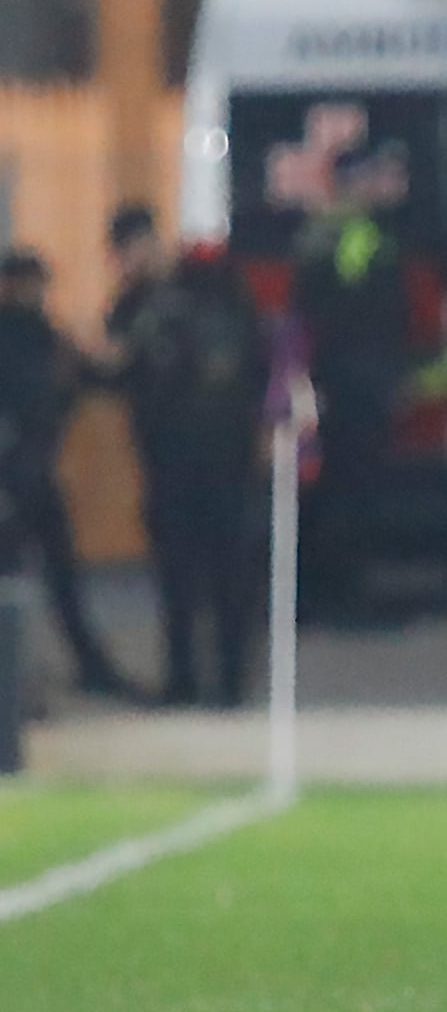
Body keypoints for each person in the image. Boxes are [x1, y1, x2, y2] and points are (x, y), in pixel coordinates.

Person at [103, 207, 266, 708]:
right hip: (167, 457)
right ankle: (183, 679)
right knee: (176, 575)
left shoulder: (212, 283)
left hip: (223, 450)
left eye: (130, 250)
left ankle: (231, 680)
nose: (128, 263)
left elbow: (251, 358)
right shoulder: (131, 305)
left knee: (228, 571)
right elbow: (116, 369)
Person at [0, 249, 133, 697]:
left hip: (34, 472)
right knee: (30, 581)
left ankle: (81, 667)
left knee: (55, 576)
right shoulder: (27, 338)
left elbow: (88, 380)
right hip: (17, 473)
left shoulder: (45, 336)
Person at [290, 147, 413, 618]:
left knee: (340, 484)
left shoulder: (330, 233)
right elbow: (359, 312)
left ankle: (330, 589)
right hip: (355, 377)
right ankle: (342, 593)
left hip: (346, 374)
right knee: (352, 486)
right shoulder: (354, 236)